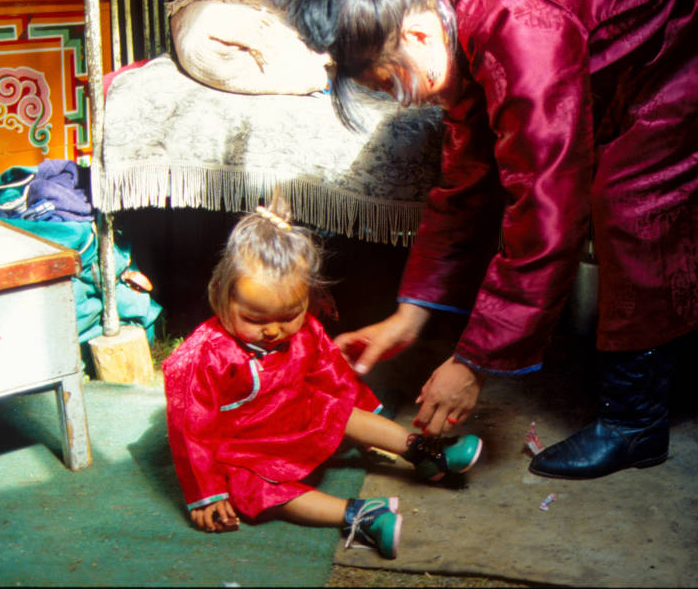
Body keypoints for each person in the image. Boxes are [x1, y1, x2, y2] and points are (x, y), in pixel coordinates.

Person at [277, 0, 698, 480]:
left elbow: (547, 204)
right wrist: (409, 315)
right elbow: (468, 178)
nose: (401, 101)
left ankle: (634, 423)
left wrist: (474, 362)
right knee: (577, 150)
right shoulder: (454, 14)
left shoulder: (520, 27)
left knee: (634, 194)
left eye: (390, 83)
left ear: (414, 33)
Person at [161, 198, 483, 558]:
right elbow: (191, 429)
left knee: (334, 405)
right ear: (220, 295)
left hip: (295, 420)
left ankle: (424, 451)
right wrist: (206, 493)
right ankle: (360, 514)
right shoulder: (199, 357)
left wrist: (369, 421)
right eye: (254, 319)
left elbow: (335, 378)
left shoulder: (306, 331)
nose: (272, 331)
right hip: (244, 450)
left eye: (288, 315)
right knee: (249, 489)